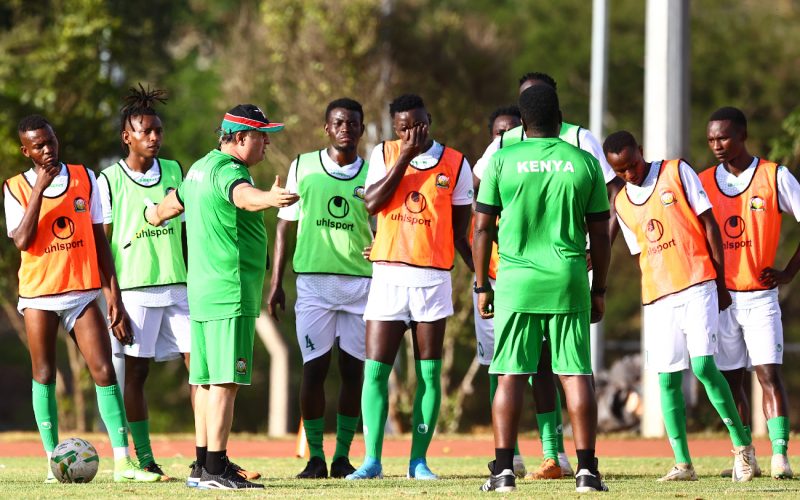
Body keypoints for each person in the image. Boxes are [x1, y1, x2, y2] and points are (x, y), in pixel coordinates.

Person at [474, 72, 624, 481]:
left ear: (522, 122)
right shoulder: (583, 161)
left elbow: (483, 227)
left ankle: (504, 470)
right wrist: (600, 289)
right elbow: (601, 234)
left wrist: (482, 284)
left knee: (510, 375)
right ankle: (588, 471)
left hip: (516, 282)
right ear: (560, 118)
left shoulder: (502, 158)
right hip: (568, 279)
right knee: (575, 374)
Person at [145, 104, 299, 489]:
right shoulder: (230, 172)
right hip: (230, 291)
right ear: (240, 138)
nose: (266, 142)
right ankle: (216, 469)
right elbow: (243, 197)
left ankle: (201, 466)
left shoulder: (198, 168)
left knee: (207, 382)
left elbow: (168, 207)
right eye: (261, 135)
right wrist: (271, 198)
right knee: (227, 382)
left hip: (201, 292)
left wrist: (151, 215)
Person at [3, 115, 161, 483]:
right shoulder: (15, 187)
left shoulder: (85, 178)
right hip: (39, 295)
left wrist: (113, 297)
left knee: (104, 371)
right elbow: (23, 240)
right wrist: (40, 188)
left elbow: (99, 241)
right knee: (43, 374)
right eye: (37, 145)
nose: (47, 149)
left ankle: (123, 463)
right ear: (25, 150)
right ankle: (51, 463)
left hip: (82, 293)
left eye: (50, 140)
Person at [605, 130, 755, 482]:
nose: (630, 173)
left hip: (697, 282)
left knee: (703, 366)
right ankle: (683, 463)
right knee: (667, 380)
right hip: (658, 296)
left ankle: (742, 447)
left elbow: (709, 224)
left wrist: (719, 282)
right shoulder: (623, 203)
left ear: (641, 152)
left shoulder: (676, 171)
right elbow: (640, 251)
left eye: (633, 164)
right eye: (621, 170)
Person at [345, 94, 473, 481]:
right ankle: (371, 461)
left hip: (432, 281)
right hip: (388, 278)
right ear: (394, 127)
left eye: (417, 124)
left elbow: (463, 232)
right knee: (375, 373)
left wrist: (484, 282)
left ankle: (419, 461)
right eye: (402, 127)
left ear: (429, 120)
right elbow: (372, 204)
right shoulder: (383, 154)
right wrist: (403, 155)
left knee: (430, 376)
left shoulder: (456, 162)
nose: (410, 132)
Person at [268, 98, 372, 479]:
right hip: (313, 284)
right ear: (327, 128)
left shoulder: (374, 170)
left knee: (352, 372)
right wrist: (276, 282)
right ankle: (315, 457)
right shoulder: (303, 165)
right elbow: (284, 223)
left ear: (362, 129)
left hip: (362, 284)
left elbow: (384, 224)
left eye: (353, 123)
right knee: (313, 369)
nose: (346, 128)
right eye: (339, 122)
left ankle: (343, 456)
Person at [96, 85, 191, 481]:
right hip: (134, 290)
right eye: (145, 131)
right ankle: (146, 459)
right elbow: (103, 247)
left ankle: (211, 456)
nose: (153, 137)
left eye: (158, 131)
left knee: (199, 367)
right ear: (127, 136)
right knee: (136, 375)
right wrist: (112, 303)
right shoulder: (108, 179)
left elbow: (186, 233)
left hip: (179, 287)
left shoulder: (174, 171)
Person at [699, 106, 798, 480]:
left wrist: (788, 271)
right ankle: (745, 456)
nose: (717, 145)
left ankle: (780, 456)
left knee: (768, 374)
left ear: (742, 135)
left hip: (759, 297)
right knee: (730, 379)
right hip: (721, 299)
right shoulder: (704, 180)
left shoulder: (775, 176)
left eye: (723, 137)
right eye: (711, 139)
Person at [470, 105, 527, 478]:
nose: (501, 138)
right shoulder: (486, 177)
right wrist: (480, 284)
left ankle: (556, 453)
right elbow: (476, 228)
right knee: (497, 365)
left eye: (509, 131)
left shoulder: (528, 174)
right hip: (492, 283)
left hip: (525, 281)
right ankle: (510, 453)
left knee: (540, 366)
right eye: (496, 133)